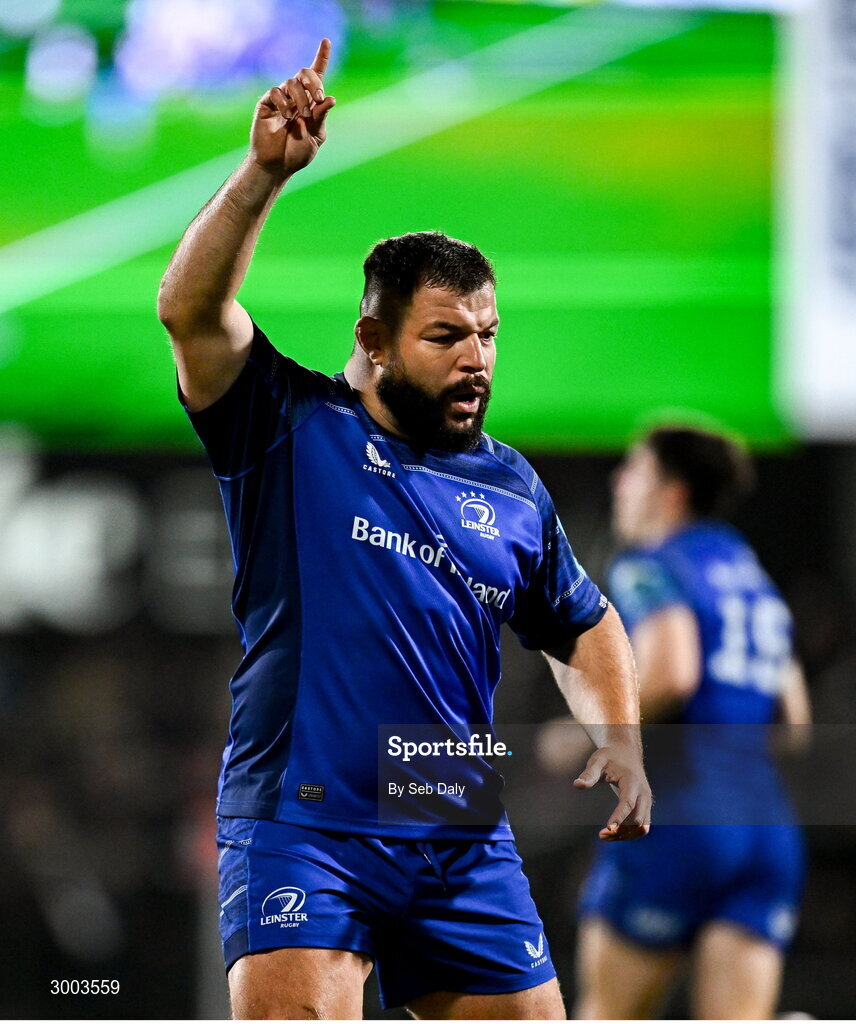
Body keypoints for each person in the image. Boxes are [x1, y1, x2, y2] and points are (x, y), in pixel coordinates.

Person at [156, 38, 651, 1021]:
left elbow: (582, 620)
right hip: (308, 821)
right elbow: (191, 311)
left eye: (488, 334)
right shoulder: (287, 427)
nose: (477, 359)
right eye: (447, 336)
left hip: (452, 818)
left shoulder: (510, 484)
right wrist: (262, 175)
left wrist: (621, 736)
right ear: (371, 342)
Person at [540, 426, 811, 1020]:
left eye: (633, 469)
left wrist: (588, 730)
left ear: (672, 493)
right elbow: (794, 722)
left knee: (606, 1015)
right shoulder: (750, 574)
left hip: (683, 821)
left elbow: (673, 670)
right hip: (767, 830)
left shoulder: (652, 564)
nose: (619, 482)